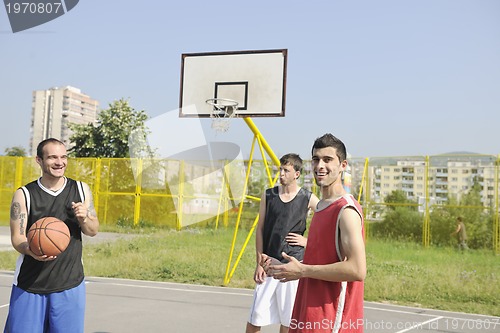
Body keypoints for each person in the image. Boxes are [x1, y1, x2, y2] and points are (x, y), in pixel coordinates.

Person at [263, 133, 366, 333]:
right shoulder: (320, 207)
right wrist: (284, 266)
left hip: (331, 322)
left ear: (342, 165)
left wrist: (303, 271)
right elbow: (321, 258)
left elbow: (357, 269)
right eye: (316, 159)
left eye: (328, 160)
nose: (320, 165)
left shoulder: (346, 210)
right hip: (307, 313)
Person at [4, 138, 99, 333]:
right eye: (53, 157)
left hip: (69, 284)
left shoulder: (81, 190)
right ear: (39, 160)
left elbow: (93, 230)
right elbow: (17, 237)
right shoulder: (24, 194)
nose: (59, 162)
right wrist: (30, 250)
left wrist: (84, 218)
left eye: (63, 157)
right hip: (30, 284)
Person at [246, 153, 319, 333]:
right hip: (269, 264)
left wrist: (307, 242)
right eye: (280, 169)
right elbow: (260, 229)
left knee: (288, 321)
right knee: (255, 317)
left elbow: (329, 221)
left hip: (292, 266)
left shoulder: (307, 197)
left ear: (297, 174)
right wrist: (259, 263)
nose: (281, 173)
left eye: (286, 170)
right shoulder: (268, 195)